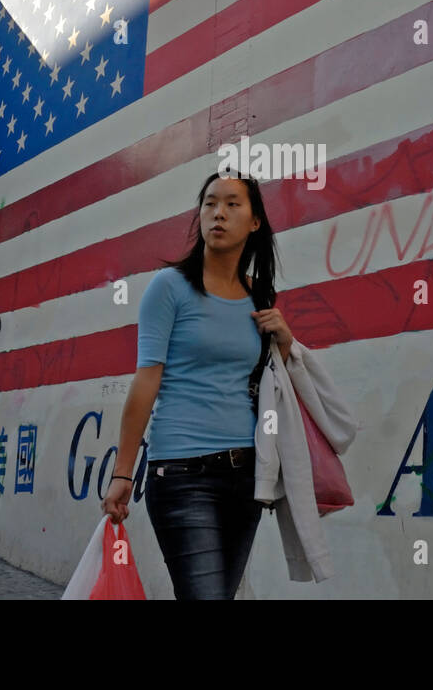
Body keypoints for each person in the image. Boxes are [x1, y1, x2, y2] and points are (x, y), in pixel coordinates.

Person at [102, 171, 294, 599]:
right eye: (209, 203)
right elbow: (146, 381)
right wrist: (123, 472)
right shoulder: (169, 288)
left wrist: (283, 342)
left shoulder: (259, 297)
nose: (218, 213)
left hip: (246, 476)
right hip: (182, 473)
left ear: (255, 221)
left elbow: (266, 387)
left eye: (231, 204)